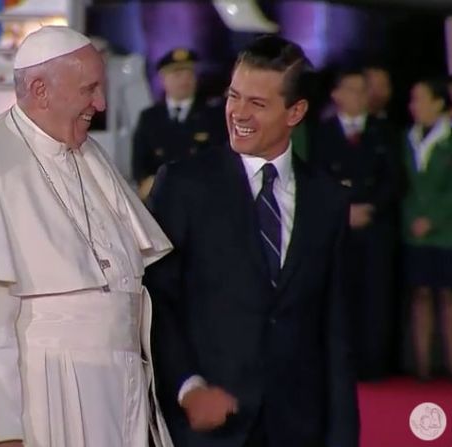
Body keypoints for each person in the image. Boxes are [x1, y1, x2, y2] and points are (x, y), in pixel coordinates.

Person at [0, 26, 173, 447]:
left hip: (123, 385)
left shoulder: (85, 150)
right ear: (40, 89)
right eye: (89, 89)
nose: (100, 104)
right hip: (46, 392)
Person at [145, 35, 359, 447]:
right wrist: (188, 386)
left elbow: (335, 332)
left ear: (295, 111)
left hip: (297, 426)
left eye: (257, 104)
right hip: (205, 427)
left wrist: (343, 436)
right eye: (234, 96)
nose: (238, 113)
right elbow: (156, 300)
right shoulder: (184, 185)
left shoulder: (328, 200)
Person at [310, 68, 400, 380]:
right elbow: (317, 179)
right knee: (339, 296)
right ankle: (339, 364)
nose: (361, 96)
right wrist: (343, 210)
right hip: (337, 228)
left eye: (364, 90)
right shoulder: (322, 132)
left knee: (375, 296)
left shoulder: (384, 131)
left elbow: (394, 178)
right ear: (336, 95)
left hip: (375, 227)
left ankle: (373, 364)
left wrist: (370, 207)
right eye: (353, 89)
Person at [401, 78, 452, 380]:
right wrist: (413, 219)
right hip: (413, 231)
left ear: (437, 103)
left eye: (419, 99)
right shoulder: (406, 137)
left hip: (446, 233)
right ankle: (422, 368)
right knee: (419, 295)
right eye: (412, 100)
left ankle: (449, 365)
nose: (413, 106)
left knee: (447, 297)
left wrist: (433, 218)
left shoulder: (448, 138)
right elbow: (403, 185)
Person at [132, 48, 225, 199]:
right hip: (161, 197)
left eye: (189, 74)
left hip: (202, 197)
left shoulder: (213, 116)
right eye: (177, 74)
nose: (184, 80)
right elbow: (140, 167)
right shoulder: (149, 118)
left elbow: (219, 161)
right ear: (163, 79)